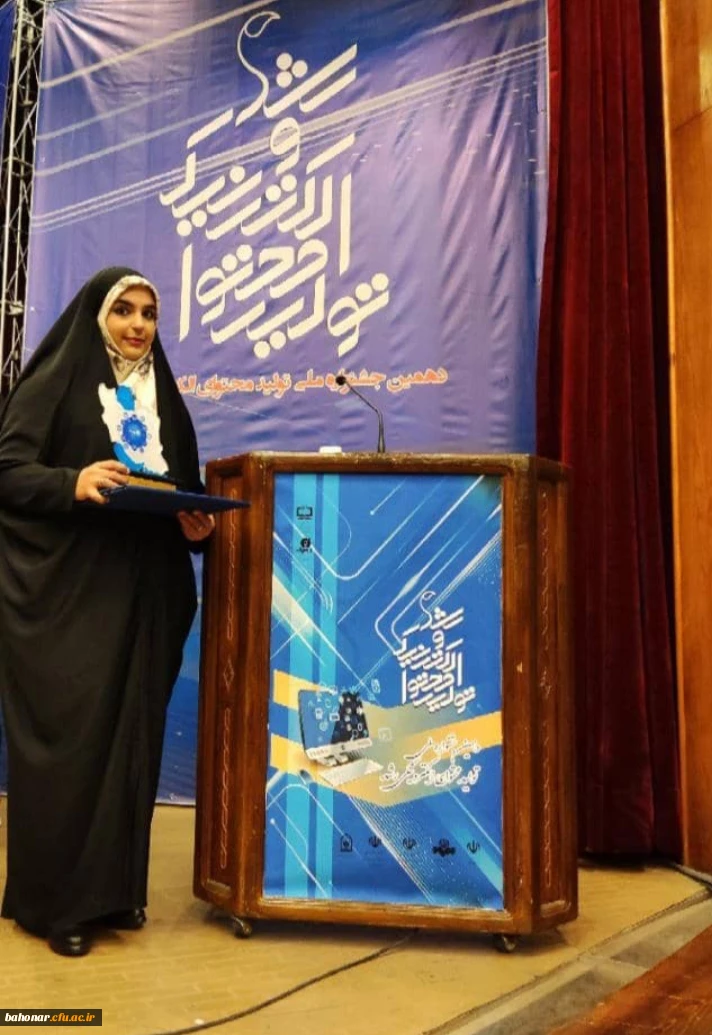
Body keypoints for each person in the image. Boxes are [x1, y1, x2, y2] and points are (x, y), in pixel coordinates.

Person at [0, 267, 214, 957]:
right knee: (75, 749)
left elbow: (184, 488)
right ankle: (55, 904)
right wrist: (74, 480)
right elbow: (9, 471)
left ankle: (114, 893)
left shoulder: (164, 397)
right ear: (97, 315)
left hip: (146, 598)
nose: (138, 325)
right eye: (124, 310)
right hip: (71, 599)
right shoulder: (58, 381)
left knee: (131, 747)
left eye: (149, 313)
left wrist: (197, 526)